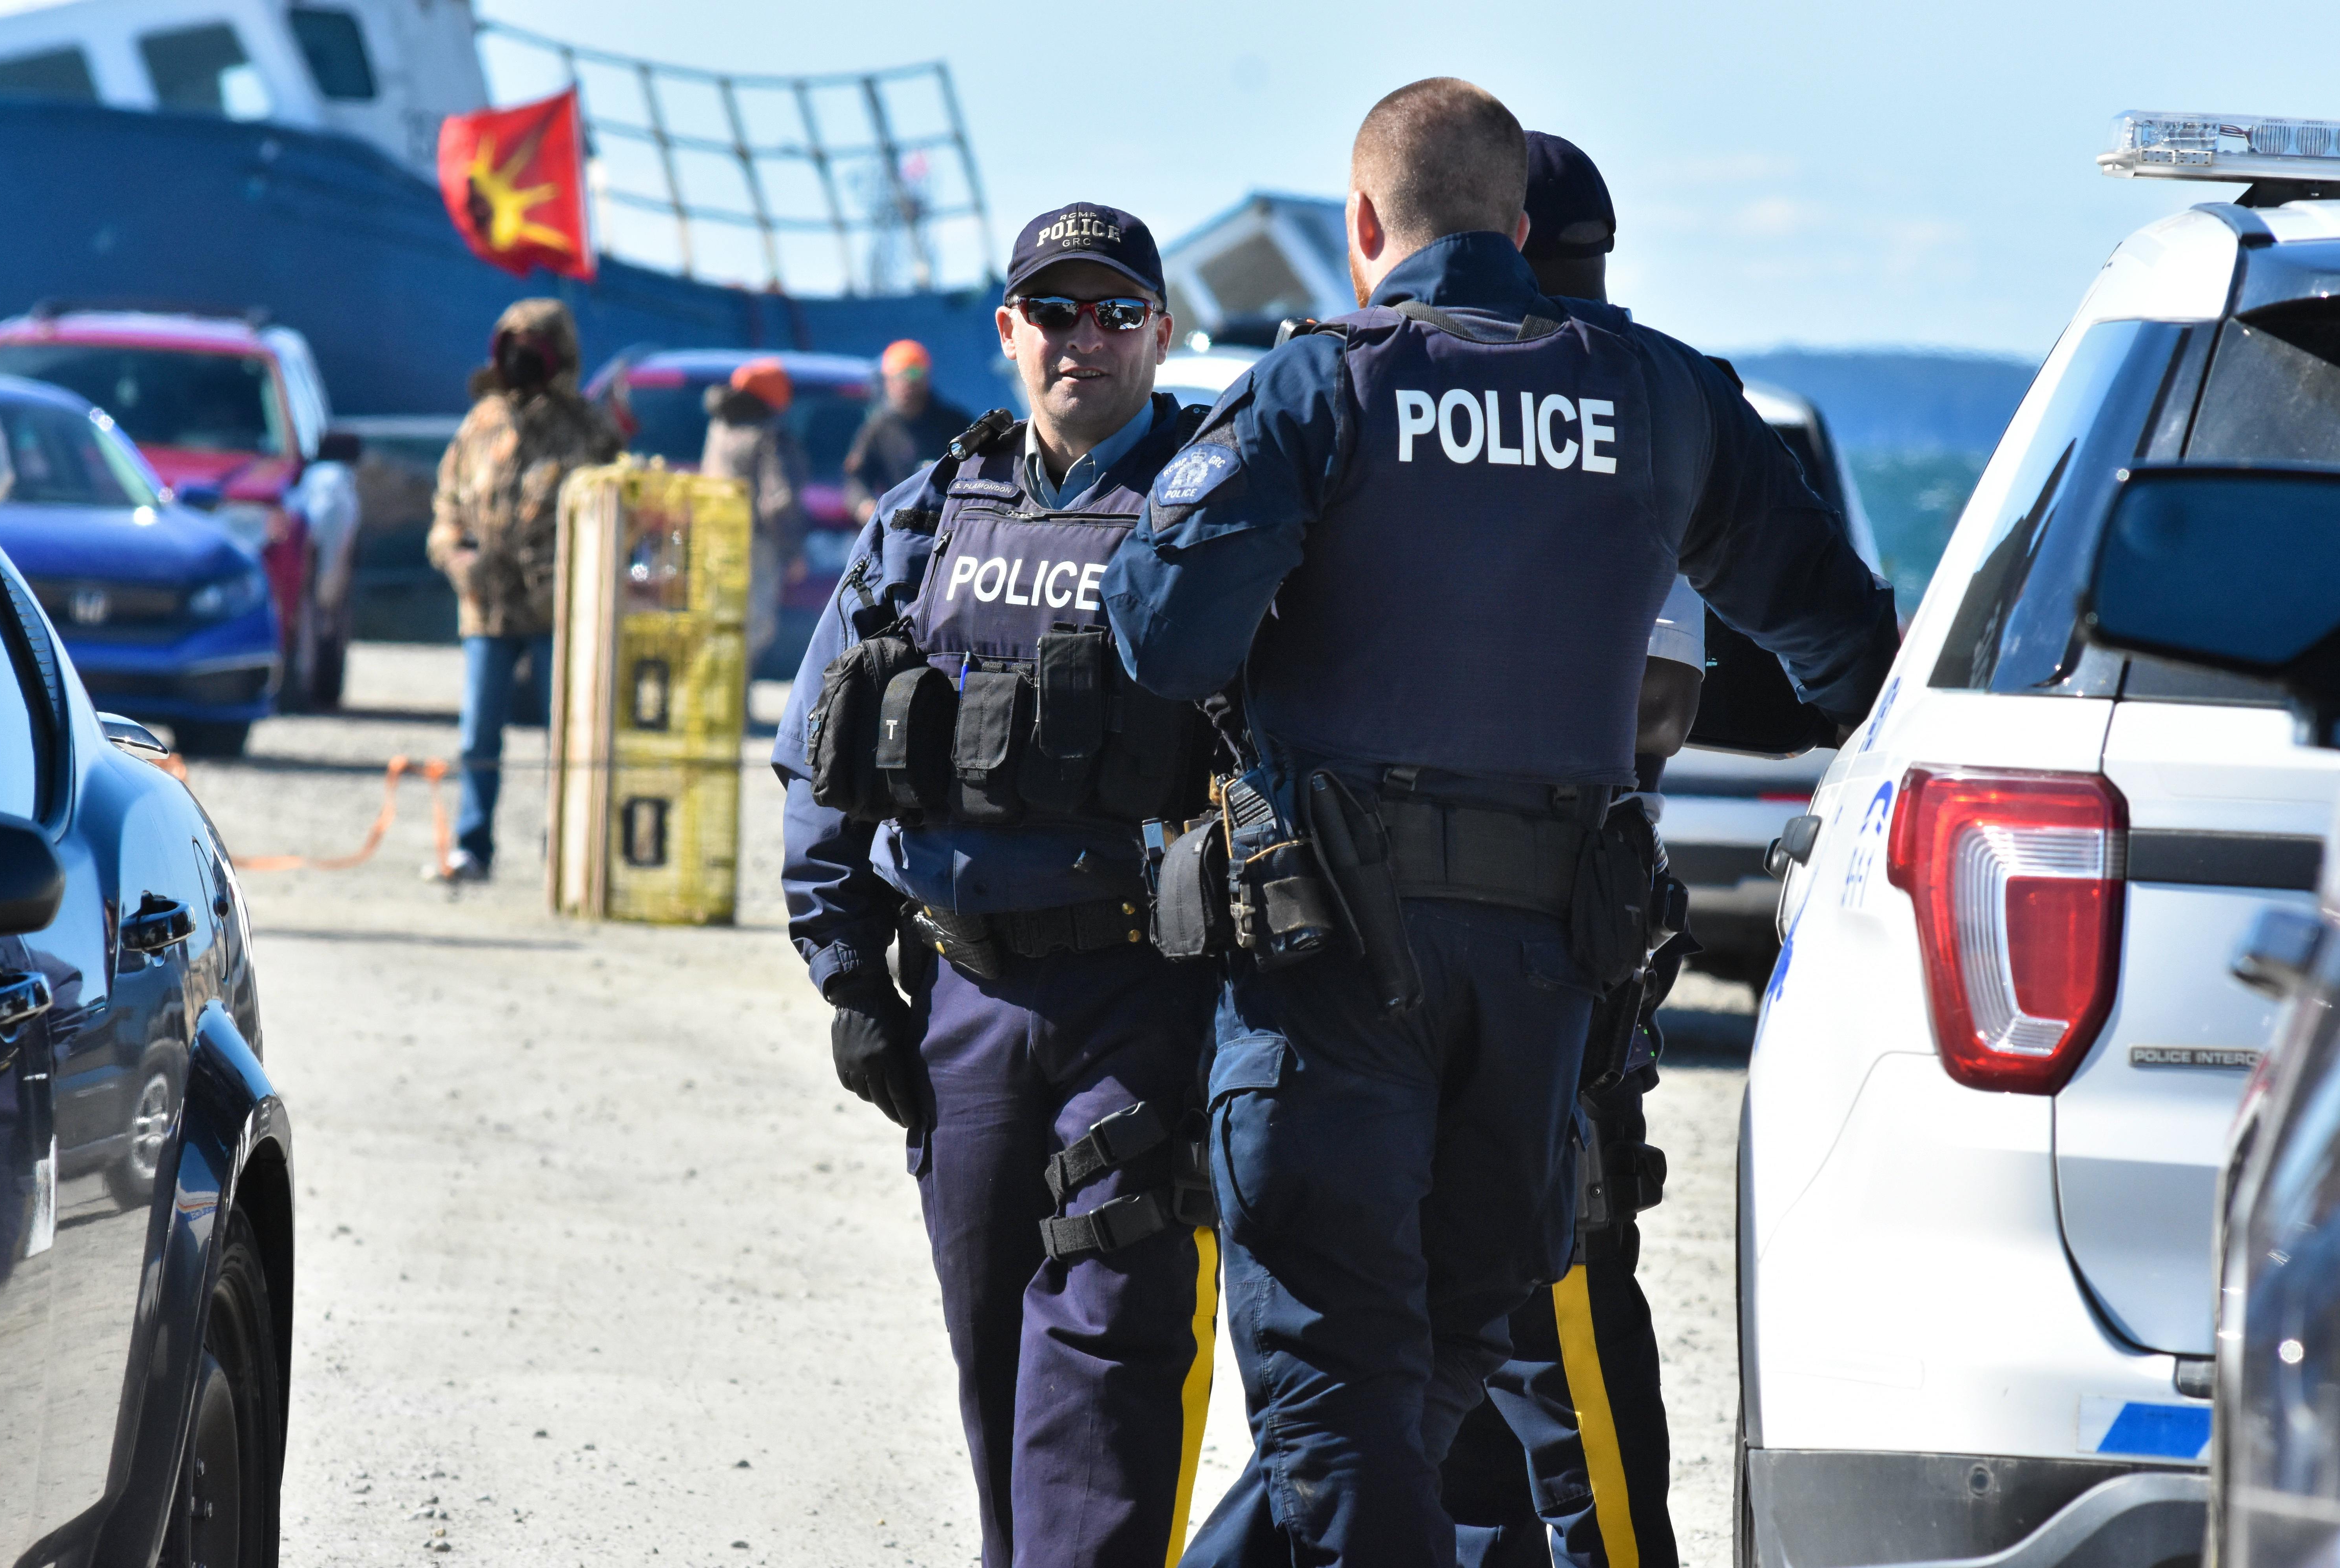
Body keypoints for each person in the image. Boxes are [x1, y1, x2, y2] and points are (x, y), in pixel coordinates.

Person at [1101, 80, 1899, 1566]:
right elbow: (1848, 652)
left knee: (1341, 1404)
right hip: (1545, 1001)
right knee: (1418, 1381)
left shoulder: (1317, 386)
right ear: (1520, 228)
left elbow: (1159, 637)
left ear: (1360, 227)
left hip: (1330, 978)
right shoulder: (1660, 394)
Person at [774, 204, 1222, 1566]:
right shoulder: (931, 513)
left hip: (1143, 999)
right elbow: (821, 748)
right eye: (1053, 312)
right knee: (993, 1368)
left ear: (1161, 329)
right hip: (961, 1002)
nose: (1082, 339)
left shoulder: (1218, 506)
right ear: (1008, 333)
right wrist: (847, 974)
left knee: (1100, 1367)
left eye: (1114, 312)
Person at [1441, 131, 1708, 1568]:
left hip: (1492, 968)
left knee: (1523, 1353)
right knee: (1543, 1360)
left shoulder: (1431, 403)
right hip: (1553, 963)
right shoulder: (1639, 410)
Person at [426, 298, 622, 884]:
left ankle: (564, 851)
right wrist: (458, 557)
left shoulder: (588, 430)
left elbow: (617, 505)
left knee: (569, 736)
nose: (519, 358)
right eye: (510, 344)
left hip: (560, 611)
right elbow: (447, 507)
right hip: (486, 608)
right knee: (478, 734)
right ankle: (472, 845)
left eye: (532, 346)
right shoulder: (480, 424)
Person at [701, 357, 809, 679]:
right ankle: (733, 704)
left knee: (719, 622)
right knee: (753, 627)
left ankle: (719, 702)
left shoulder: (719, 426)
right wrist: (792, 551)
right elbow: (777, 503)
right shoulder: (768, 435)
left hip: (713, 538)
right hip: (755, 544)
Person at [843, 338, 974, 523]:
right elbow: (857, 478)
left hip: (951, 521)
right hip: (900, 526)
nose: (906, 384)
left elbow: (981, 468)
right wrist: (864, 505)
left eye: (914, 375)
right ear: (887, 382)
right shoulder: (878, 429)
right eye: (898, 376)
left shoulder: (954, 424)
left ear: (926, 378)